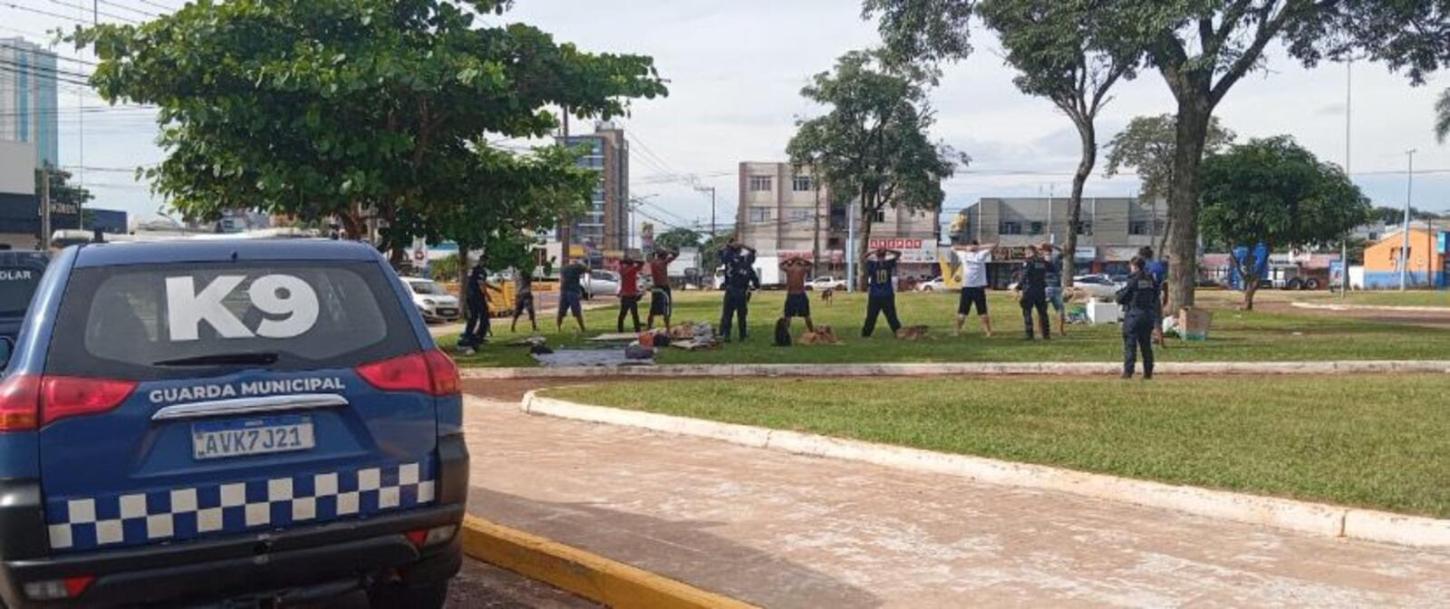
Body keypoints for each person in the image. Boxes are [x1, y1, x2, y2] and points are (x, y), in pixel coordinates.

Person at [1118, 256, 1160, 379]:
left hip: (1134, 315)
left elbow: (1122, 297)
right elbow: (1156, 295)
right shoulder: (1151, 280)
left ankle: (1128, 372)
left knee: (1130, 345)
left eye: (1131, 266)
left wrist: (1118, 295)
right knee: (1146, 345)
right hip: (1148, 315)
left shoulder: (1133, 280)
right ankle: (1148, 373)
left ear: (1135, 266)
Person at [952, 240, 995, 337]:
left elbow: (993, 244)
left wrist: (977, 248)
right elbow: (953, 247)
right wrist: (966, 248)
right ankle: (957, 331)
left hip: (978, 288)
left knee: (983, 312)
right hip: (967, 287)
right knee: (962, 312)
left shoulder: (981, 254)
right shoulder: (964, 254)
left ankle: (988, 332)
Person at [862, 248, 904, 337]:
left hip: (875, 294)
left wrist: (874, 251)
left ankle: (866, 334)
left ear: (877, 256)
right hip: (887, 294)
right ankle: (898, 332)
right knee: (892, 316)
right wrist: (888, 250)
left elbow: (864, 257)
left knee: (871, 316)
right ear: (885, 256)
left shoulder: (873, 264)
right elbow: (898, 254)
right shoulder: (888, 264)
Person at [1014, 245, 1052, 341]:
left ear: (1030, 252)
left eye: (1026, 253)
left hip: (1029, 290)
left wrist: (1018, 286)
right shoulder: (1042, 262)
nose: (1025, 255)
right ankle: (1046, 334)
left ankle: (1029, 334)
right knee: (1043, 313)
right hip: (1041, 291)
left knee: (1027, 313)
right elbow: (1052, 269)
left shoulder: (1028, 262)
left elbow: (1025, 275)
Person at [718, 251, 759, 342]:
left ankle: (726, 335)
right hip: (741, 293)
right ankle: (742, 336)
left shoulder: (735, 263)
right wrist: (750, 288)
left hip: (730, 291)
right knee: (742, 316)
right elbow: (756, 284)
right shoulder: (750, 270)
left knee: (728, 314)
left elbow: (724, 256)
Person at [460, 263, 489, 352]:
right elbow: (481, 284)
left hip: (470, 296)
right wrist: (488, 296)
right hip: (477, 296)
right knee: (484, 316)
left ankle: (469, 334)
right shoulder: (481, 271)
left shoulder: (474, 271)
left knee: (473, 316)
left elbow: (481, 282)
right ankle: (479, 335)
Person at [781, 256, 815, 332]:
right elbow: (811, 265)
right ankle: (812, 332)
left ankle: (785, 334)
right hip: (799, 294)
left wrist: (790, 259)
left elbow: (781, 265)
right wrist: (801, 259)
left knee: (788, 316)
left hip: (794, 294)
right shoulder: (801, 269)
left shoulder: (789, 269)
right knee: (805, 316)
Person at [646, 248, 678, 330]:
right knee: (666, 309)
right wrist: (668, 251)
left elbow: (648, 256)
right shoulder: (664, 262)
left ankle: (648, 327)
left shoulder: (653, 262)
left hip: (656, 287)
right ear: (663, 255)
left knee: (653, 309)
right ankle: (667, 328)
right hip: (664, 287)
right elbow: (676, 254)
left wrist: (656, 251)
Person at [1041, 243, 1067, 336]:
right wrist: (1054, 245)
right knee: (1060, 310)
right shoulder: (1055, 257)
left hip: (1045, 287)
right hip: (1056, 287)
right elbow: (1064, 252)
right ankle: (1061, 331)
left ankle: (1041, 330)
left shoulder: (1041, 260)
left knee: (1042, 310)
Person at [556, 258, 588, 333]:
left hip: (563, 291)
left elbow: (562, 278)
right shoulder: (577, 267)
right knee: (577, 312)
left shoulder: (564, 268)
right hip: (573, 291)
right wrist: (582, 264)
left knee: (561, 312)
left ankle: (558, 328)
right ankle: (583, 329)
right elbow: (588, 270)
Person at [617, 255, 645, 333]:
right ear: (631, 263)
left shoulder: (622, 270)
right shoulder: (633, 269)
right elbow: (642, 263)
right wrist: (634, 260)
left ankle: (620, 330)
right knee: (635, 314)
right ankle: (637, 330)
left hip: (625, 295)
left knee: (622, 314)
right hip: (632, 295)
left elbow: (620, 263)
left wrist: (625, 261)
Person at [510, 266, 537, 333]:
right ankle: (534, 326)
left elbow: (513, 279)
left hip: (518, 294)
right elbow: (532, 278)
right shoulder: (526, 272)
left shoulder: (515, 273)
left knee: (517, 311)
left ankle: (513, 326)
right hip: (526, 293)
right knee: (530, 310)